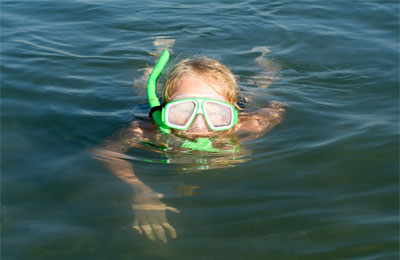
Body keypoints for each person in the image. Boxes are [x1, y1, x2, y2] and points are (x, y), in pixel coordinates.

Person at [90, 49, 286, 243]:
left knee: (259, 89)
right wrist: (140, 190)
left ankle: (263, 62)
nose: (198, 125)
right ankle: (157, 55)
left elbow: (276, 112)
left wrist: (240, 143)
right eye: (183, 109)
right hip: (150, 105)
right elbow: (105, 153)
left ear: (231, 114)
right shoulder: (147, 130)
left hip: (241, 105)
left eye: (214, 111)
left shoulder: (246, 124)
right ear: (165, 110)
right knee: (142, 88)